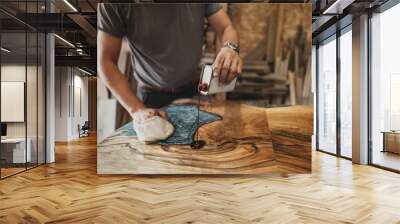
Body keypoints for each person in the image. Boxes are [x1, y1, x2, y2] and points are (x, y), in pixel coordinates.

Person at [97, 3, 242, 120]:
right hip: (152, 96)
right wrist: (136, 109)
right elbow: (106, 61)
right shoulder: (114, 5)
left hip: (193, 87)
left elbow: (225, 28)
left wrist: (230, 48)